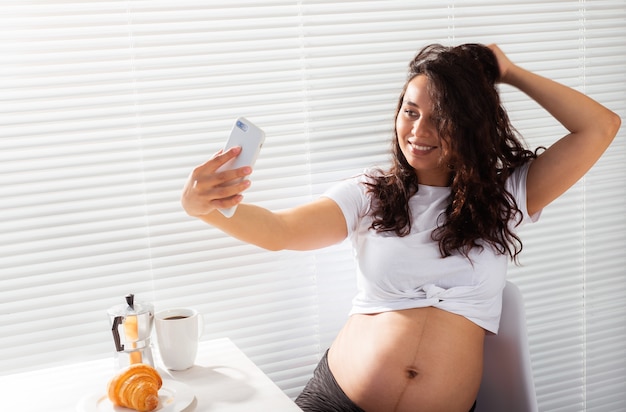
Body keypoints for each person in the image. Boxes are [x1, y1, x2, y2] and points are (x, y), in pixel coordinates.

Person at [181, 43, 620, 412]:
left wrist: (508, 71)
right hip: (338, 399)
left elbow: (600, 127)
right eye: (410, 112)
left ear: (470, 125)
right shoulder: (370, 193)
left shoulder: (507, 197)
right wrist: (205, 207)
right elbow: (279, 231)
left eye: (440, 117)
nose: (419, 130)